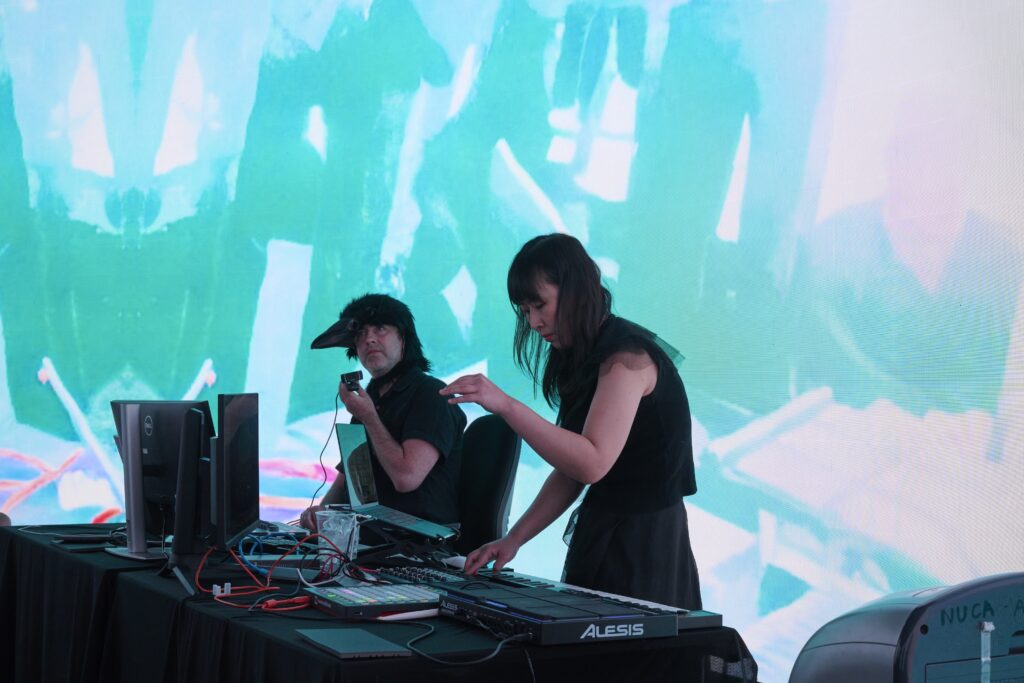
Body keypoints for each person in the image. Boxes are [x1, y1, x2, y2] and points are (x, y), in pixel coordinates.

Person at [441, 234, 702, 610]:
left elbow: (591, 463)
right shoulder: (582, 354)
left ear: (576, 289)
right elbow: (570, 469)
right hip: (603, 529)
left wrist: (507, 406)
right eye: (525, 310)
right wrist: (513, 540)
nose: (533, 322)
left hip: (646, 544)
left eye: (539, 305)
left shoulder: (627, 359)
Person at [300, 294, 466, 530]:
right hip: (369, 536)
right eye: (361, 334)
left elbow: (406, 478)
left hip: (418, 541)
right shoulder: (371, 398)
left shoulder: (432, 395)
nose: (369, 339)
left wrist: (369, 417)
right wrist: (320, 515)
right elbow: (351, 476)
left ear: (403, 338)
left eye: (380, 328)